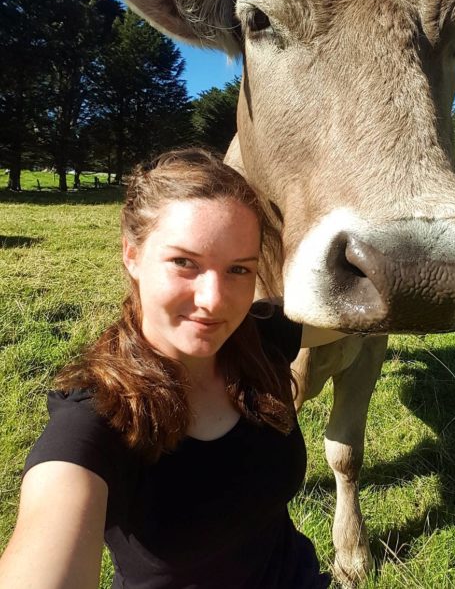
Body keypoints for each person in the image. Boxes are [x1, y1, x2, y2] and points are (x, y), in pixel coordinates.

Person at [0, 149, 337, 589]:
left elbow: (349, 319)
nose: (214, 301)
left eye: (239, 269)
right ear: (133, 254)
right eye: (185, 263)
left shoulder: (259, 338)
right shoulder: (96, 418)